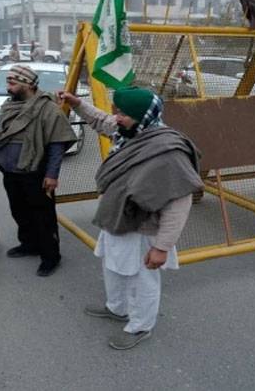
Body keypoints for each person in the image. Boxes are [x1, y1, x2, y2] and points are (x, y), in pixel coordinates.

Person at [58, 87, 202, 350]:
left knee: (141, 279)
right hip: (116, 218)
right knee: (113, 267)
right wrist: (78, 104)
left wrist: (161, 247)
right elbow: (102, 121)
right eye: (118, 111)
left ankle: (140, 326)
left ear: (144, 115)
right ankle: (117, 308)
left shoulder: (169, 152)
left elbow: (178, 204)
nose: (117, 117)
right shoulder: (131, 132)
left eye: (124, 113)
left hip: (144, 228)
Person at [0, 65, 77, 276]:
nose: (8, 87)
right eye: (8, 82)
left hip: (36, 174)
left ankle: (51, 257)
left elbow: (57, 144)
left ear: (28, 84)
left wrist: (52, 175)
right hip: (11, 172)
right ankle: (29, 245)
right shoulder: (8, 105)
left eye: (12, 83)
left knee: (43, 217)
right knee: (19, 212)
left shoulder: (48, 109)